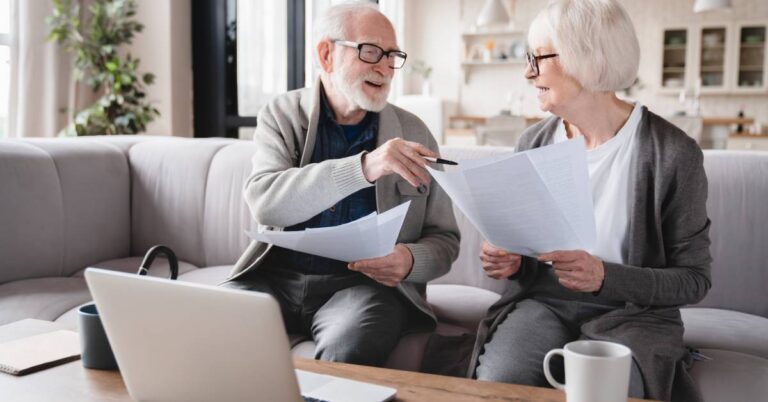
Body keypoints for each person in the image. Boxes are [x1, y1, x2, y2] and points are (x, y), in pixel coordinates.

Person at [468, 1, 711, 400]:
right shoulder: (533, 144)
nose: (528, 72)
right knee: (496, 384)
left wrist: (605, 277)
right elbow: (527, 261)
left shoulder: (672, 153)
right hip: (543, 305)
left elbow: (694, 280)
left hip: (633, 314)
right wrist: (511, 262)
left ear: (589, 58)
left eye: (538, 58)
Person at [223, 2, 460, 368]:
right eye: (370, 51)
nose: (384, 66)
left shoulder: (415, 133)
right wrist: (365, 167)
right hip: (274, 278)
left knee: (352, 342)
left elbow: (445, 240)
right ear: (326, 54)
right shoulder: (281, 115)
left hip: (361, 290)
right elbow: (266, 203)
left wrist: (409, 260)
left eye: (391, 55)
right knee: (209, 322)